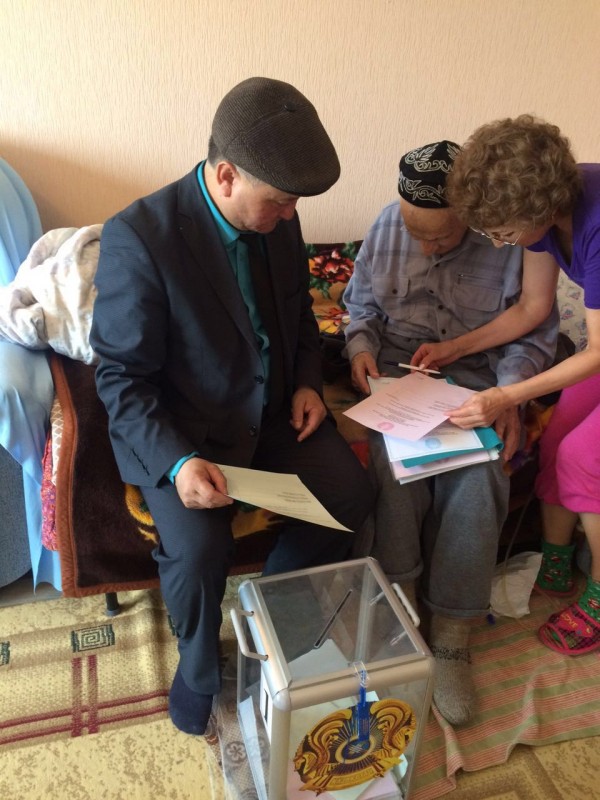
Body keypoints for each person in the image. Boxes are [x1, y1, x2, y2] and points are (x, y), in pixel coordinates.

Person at [89, 77, 374, 735]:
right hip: (185, 431)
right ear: (225, 176)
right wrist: (178, 461)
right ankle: (196, 668)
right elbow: (121, 379)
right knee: (197, 552)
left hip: (273, 412)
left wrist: (307, 381)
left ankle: (269, 616)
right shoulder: (140, 237)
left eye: (293, 204)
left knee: (350, 496)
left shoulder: (277, 218)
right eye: (278, 202)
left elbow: (299, 315)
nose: (289, 216)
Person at [343, 140, 559, 724]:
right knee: (393, 468)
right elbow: (359, 307)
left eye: (438, 238)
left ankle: (453, 634)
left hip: (476, 382)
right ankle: (400, 608)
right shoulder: (388, 225)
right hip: (398, 378)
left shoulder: (510, 241)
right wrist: (360, 352)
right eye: (414, 232)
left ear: (470, 214)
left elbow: (534, 332)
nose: (424, 247)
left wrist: (510, 392)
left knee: (482, 472)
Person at [418, 115, 600, 656]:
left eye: (503, 234)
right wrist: (455, 348)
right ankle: (558, 560)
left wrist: (506, 396)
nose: (499, 244)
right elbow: (532, 307)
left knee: (585, 457)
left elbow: (597, 351)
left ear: (541, 211)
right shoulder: (542, 210)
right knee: (558, 437)